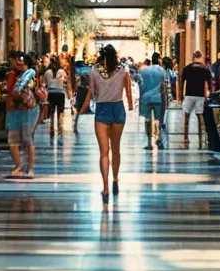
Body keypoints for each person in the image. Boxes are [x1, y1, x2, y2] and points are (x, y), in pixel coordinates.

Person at [78, 44, 135, 198]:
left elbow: (91, 93)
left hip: (102, 110)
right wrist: (130, 105)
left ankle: (105, 188)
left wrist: (82, 109)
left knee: (104, 152)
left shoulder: (94, 72)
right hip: (118, 109)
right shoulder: (123, 72)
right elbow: (128, 91)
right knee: (116, 149)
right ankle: (115, 179)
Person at [3, 52, 41, 179]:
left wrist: (16, 89)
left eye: (20, 61)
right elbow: (9, 90)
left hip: (26, 110)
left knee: (27, 138)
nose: (17, 63)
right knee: (12, 140)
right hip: (14, 110)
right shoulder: (12, 74)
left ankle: (30, 169)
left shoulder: (30, 73)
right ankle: (18, 166)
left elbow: (18, 87)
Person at [178, 51, 215, 148]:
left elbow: (182, 82)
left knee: (186, 117)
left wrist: (180, 96)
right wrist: (209, 93)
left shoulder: (187, 68)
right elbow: (210, 82)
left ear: (193, 57)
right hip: (200, 95)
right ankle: (201, 138)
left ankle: (185, 138)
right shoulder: (205, 69)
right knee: (200, 117)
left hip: (189, 95)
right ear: (201, 57)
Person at [137, 53, 168, 150]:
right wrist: (165, 99)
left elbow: (140, 85)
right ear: (159, 59)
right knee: (159, 120)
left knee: (147, 120)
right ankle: (159, 139)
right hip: (158, 98)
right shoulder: (161, 70)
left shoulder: (143, 70)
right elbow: (163, 86)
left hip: (146, 98)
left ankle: (149, 142)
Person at [40, 55, 70, 141]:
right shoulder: (61, 71)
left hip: (51, 93)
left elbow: (44, 84)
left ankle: (52, 128)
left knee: (52, 112)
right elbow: (66, 82)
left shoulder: (47, 72)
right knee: (60, 112)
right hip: (60, 93)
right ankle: (60, 129)